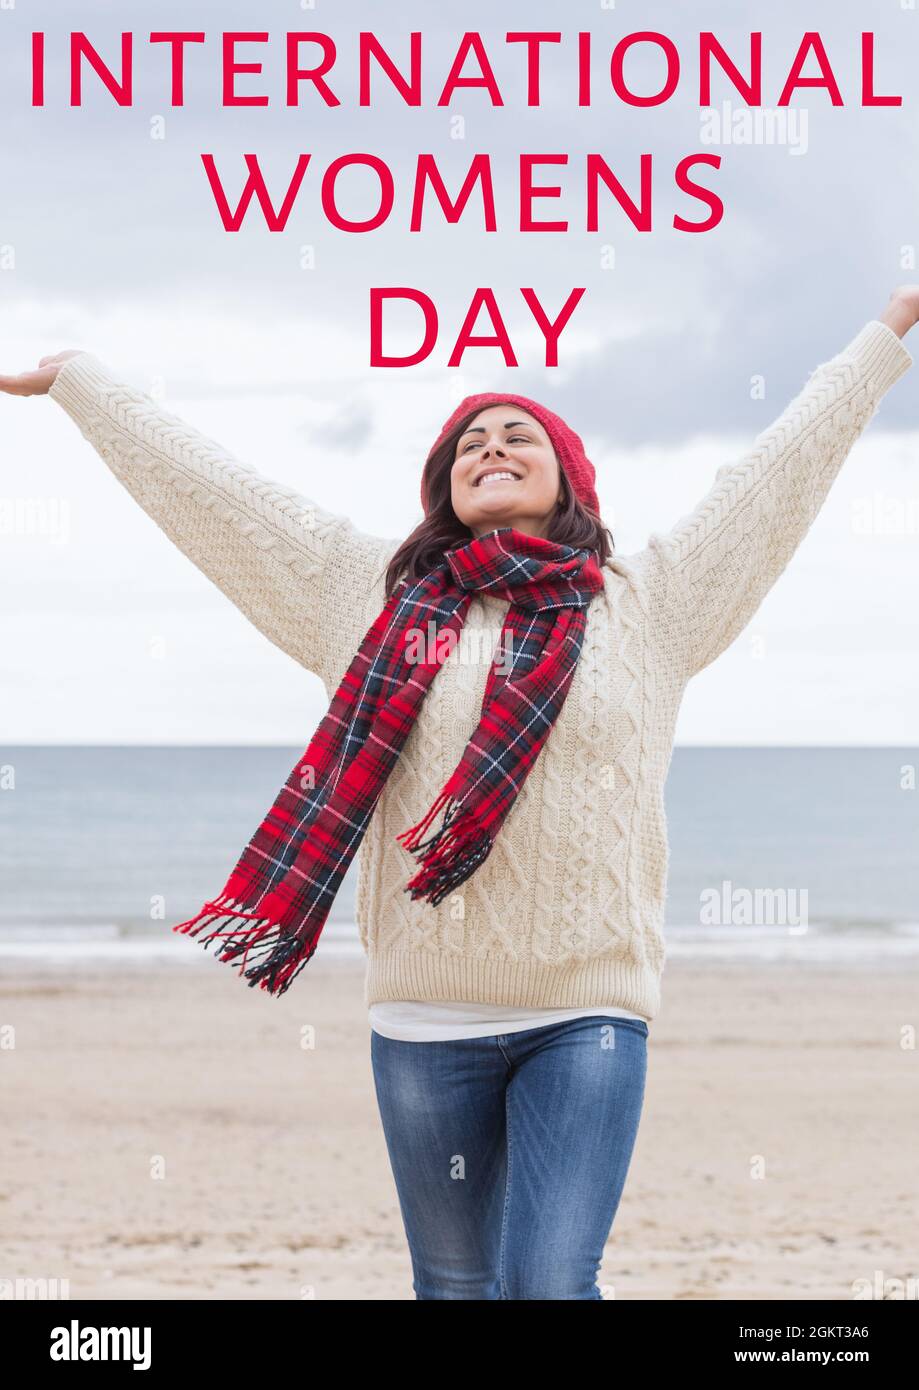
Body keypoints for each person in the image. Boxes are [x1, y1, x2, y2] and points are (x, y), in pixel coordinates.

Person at [2, 286, 916, 1300]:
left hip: (588, 1009)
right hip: (423, 1019)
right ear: (444, 485)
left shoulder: (651, 602)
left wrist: (889, 330)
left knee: (549, 1282)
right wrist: (82, 388)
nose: (488, 446)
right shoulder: (370, 596)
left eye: (516, 435)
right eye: (466, 444)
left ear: (569, 473)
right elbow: (221, 499)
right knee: (452, 1285)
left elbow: (776, 475)